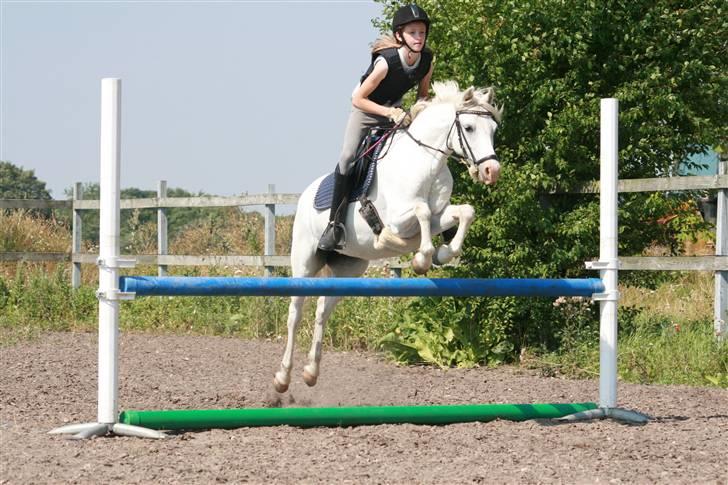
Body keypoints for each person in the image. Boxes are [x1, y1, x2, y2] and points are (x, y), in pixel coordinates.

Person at [317, 4, 435, 251]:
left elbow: (423, 95)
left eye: (422, 33)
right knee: (348, 157)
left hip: (396, 111)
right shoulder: (385, 63)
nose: (418, 38)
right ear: (400, 35)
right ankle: (334, 224)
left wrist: (418, 110)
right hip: (366, 110)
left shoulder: (426, 61)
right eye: (413, 32)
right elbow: (358, 99)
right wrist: (389, 112)